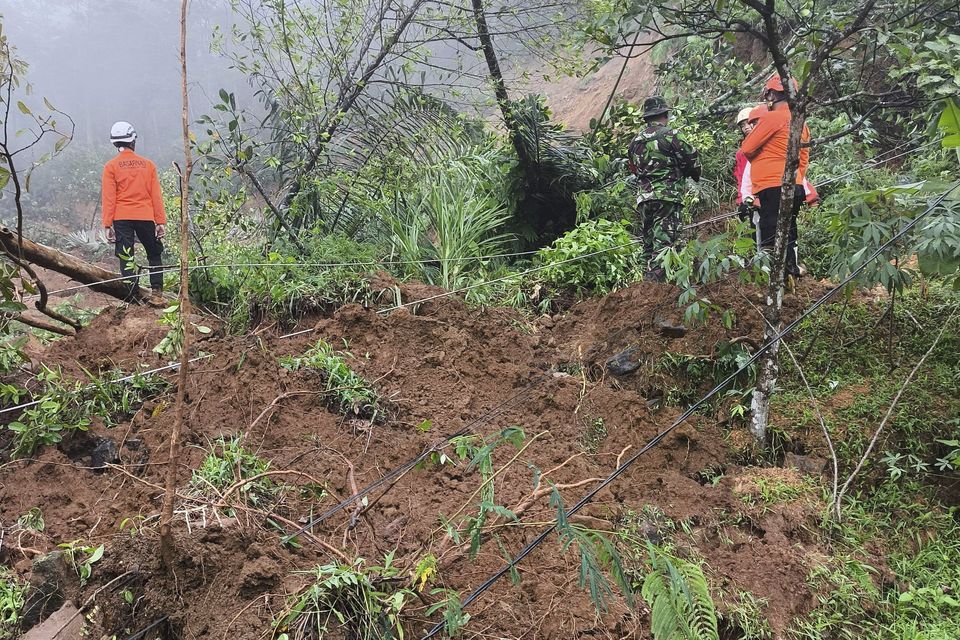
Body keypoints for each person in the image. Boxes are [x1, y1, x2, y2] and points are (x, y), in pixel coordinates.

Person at [739, 76, 811, 281]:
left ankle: (775, 277)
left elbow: (747, 148)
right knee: (789, 229)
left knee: (771, 231)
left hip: (771, 185)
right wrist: (797, 179)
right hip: (794, 185)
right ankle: (790, 270)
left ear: (771, 95)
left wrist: (760, 158)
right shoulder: (800, 122)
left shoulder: (772, 118)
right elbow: (804, 158)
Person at [627, 95, 701, 281]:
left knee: (649, 243)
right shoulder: (672, 135)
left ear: (646, 118)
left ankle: (643, 285)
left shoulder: (634, 143)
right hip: (667, 197)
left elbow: (634, 169)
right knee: (665, 243)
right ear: (665, 115)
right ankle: (655, 289)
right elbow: (691, 161)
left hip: (644, 198)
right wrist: (691, 174)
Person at [101, 121, 166, 302]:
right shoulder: (148, 165)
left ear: (115, 143)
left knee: (126, 255)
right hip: (145, 216)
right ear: (133, 141)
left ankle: (133, 297)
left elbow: (109, 198)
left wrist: (107, 224)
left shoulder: (110, 167)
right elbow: (156, 196)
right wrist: (160, 222)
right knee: (154, 253)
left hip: (121, 217)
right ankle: (157, 293)